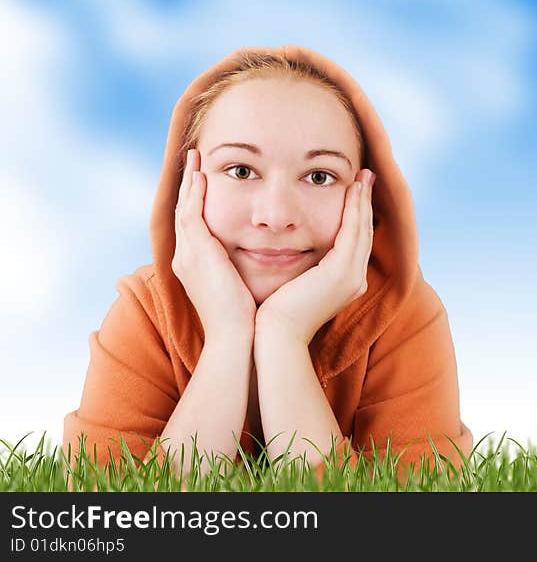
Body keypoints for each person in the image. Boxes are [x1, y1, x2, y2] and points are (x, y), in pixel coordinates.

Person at [62, 45, 473, 484]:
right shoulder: (145, 311)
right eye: (240, 170)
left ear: (365, 200)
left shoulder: (403, 314)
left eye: (319, 176)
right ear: (188, 185)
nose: (276, 216)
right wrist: (227, 337)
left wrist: (283, 337)